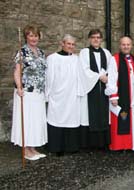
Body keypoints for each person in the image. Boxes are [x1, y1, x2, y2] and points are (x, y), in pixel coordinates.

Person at [11, 25, 47, 161]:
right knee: (27, 119)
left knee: (36, 120)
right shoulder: (22, 52)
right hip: (26, 91)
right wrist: (19, 87)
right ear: (26, 37)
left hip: (38, 92)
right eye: (31, 35)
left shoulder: (41, 52)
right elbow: (17, 71)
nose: (34, 38)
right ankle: (25, 149)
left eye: (36, 35)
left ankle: (32, 147)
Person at [46, 34, 83, 156]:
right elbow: (49, 77)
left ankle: (71, 147)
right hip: (58, 95)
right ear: (62, 44)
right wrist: (48, 94)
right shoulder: (52, 58)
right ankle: (57, 148)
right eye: (69, 44)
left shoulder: (76, 59)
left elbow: (80, 76)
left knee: (71, 119)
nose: (71, 46)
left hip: (72, 95)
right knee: (57, 119)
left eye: (73, 44)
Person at [79, 29, 112, 149]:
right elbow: (84, 70)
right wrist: (99, 76)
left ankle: (102, 144)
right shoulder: (84, 52)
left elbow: (111, 68)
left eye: (98, 37)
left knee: (103, 114)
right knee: (89, 115)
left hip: (103, 90)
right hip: (90, 91)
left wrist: (106, 77)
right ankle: (89, 145)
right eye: (93, 37)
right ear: (89, 39)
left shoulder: (107, 53)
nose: (96, 39)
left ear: (101, 39)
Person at [106, 36, 134, 151]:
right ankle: (119, 145)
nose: (126, 46)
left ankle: (131, 145)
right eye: (123, 44)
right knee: (122, 119)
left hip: (133, 96)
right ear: (120, 46)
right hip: (121, 96)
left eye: (128, 44)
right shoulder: (114, 59)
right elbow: (111, 78)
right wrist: (113, 96)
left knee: (132, 121)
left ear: (131, 45)